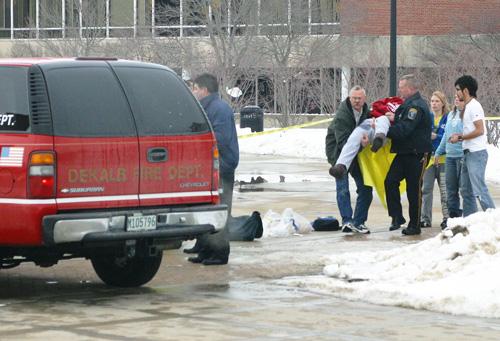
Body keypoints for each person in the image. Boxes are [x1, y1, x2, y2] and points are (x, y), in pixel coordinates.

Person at [184, 73, 239, 265]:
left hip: (221, 167)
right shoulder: (206, 108)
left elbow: (220, 139)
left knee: (219, 210)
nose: (193, 92)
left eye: (195, 88)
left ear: (205, 90)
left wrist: (198, 133)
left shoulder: (219, 109)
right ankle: (206, 250)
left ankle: (220, 253)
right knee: (207, 209)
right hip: (208, 168)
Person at [384, 74, 433, 235]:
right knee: (390, 181)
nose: (399, 89)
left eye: (402, 86)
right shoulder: (408, 104)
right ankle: (397, 216)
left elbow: (405, 129)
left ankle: (415, 225)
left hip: (417, 154)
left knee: (414, 190)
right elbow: (402, 121)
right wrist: (392, 118)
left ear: (410, 88)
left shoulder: (416, 107)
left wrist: (384, 130)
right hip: (404, 152)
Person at [325, 86, 373, 234]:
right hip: (339, 155)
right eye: (354, 98)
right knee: (343, 189)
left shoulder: (366, 112)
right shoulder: (342, 115)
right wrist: (363, 145)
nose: (357, 101)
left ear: (364, 99)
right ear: (349, 98)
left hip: (357, 155)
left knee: (366, 187)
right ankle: (347, 221)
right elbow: (344, 143)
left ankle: (359, 221)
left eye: (359, 98)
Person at [449, 75, 495, 216]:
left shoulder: (474, 106)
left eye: (458, 89)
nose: (456, 93)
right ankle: (470, 221)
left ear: (466, 90)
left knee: (479, 189)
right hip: (468, 153)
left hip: (476, 153)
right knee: (466, 190)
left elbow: (480, 130)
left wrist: (460, 137)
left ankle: (493, 218)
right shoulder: (468, 107)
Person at [330, 96, 403, 174]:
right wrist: (379, 114)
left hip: (387, 130)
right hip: (374, 122)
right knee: (357, 133)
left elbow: (407, 122)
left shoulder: (407, 106)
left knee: (384, 119)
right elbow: (377, 105)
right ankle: (341, 165)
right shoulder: (392, 100)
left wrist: (396, 117)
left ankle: (379, 139)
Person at [420, 91, 449, 228]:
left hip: (443, 159)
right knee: (426, 189)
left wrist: (435, 137)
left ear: (443, 103)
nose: (434, 104)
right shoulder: (428, 117)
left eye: (437, 101)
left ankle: (447, 218)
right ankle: (425, 218)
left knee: (445, 191)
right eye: (432, 101)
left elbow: (446, 136)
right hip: (430, 159)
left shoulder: (448, 118)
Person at [434, 95, 465, 224]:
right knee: (450, 190)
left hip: (462, 156)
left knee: (464, 189)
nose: (457, 100)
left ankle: (469, 217)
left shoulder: (466, 115)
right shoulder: (451, 114)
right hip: (450, 157)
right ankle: (453, 219)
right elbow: (445, 135)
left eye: (460, 98)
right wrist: (438, 152)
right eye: (456, 98)